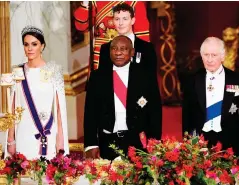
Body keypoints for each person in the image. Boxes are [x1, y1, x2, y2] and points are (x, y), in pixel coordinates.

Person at [84, 35, 162, 160]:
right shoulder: (98, 77)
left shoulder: (145, 76)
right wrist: (90, 144)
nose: (118, 52)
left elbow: (154, 111)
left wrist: (154, 142)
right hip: (107, 142)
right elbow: (90, 113)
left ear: (132, 52)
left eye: (123, 49)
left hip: (136, 142)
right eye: (114, 49)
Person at [5, 26, 69, 160]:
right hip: (23, 132)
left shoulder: (54, 70)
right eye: (26, 44)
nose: (30, 48)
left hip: (49, 131)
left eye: (34, 44)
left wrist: (60, 140)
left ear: (42, 46)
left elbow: (59, 109)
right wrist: (11, 139)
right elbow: (12, 109)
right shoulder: (18, 71)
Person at [182, 37, 239, 155]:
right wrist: (187, 145)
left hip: (229, 141)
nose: (209, 60)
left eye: (214, 55)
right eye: (206, 55)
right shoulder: (191, 80)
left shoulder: (238, 81)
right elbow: (186, 116)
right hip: (200, 140)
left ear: (223, 56)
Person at [73, 1, 150, 69]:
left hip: (125, 56)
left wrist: (138, 62)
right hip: (100, 56)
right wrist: (85, 4)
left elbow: (142, 37)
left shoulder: (135, 3)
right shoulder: (95, 2)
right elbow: (81, 27)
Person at [98, 3, 157, 77]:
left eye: (125, 19)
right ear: (113, 21)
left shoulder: (147, 48)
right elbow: (102, 81)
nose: (121, 23)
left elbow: (151, 83)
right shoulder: (105, 49)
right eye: (117, 19)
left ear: (132, 21)